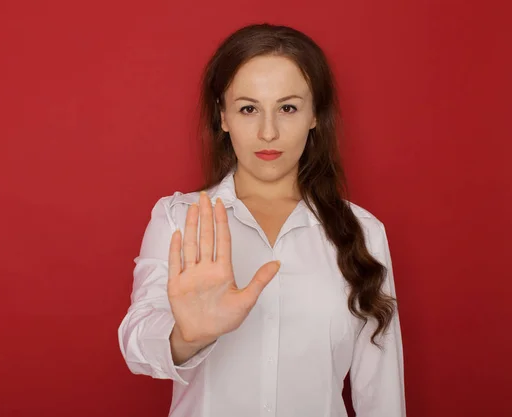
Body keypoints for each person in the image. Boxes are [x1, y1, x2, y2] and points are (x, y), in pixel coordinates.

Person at [118, 23, 406, 417]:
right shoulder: (178, 218)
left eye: (287, 108)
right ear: (223, 117)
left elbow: (382, 393)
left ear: (314, 116)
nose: (267, 132)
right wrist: (188, 336)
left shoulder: (364, 233)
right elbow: (135, 344)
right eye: (248, 108)